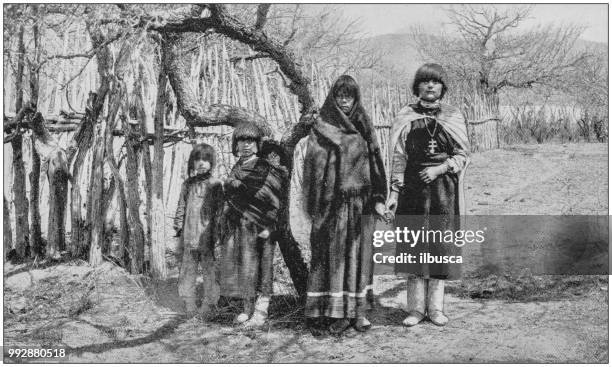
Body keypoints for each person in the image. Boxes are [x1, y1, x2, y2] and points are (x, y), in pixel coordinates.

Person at [300, 75, 388, 335]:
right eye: (339, 96)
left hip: (361, 203)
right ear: (332, 97)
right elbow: (313, 166)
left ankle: (357, 312)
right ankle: (333, 313)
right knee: (333, 258)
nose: (344, 101)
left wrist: (379, 197)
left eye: (348, 96)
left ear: (356, 97)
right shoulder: (323, 126)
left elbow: (375, 161)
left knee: (359, 258)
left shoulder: (364, 123)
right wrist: (318, 202)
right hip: (333, 204)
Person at [386, 63, 470, 327]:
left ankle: (435, 309)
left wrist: (439, 169)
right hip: (413, 190)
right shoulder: (406, 116)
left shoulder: (453, 116)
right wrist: (394, 191)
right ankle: (415, 310)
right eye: (425, 82)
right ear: (417, 87)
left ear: (443, 87)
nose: (430, 86)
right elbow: (399, 157)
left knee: (438, 247)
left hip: (442, 189)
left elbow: (462, 155)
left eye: (436, 82)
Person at [219, 123, 287, 328]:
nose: (246, 145)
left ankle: (261, 311)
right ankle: (247, 308)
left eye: (250, 141)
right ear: (235, 145)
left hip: (263, 224)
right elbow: (230, 194)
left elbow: (274, 197)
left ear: (258, 144)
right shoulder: (237, 167)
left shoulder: (265, 167)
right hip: (242, 225)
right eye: (241, 141)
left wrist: (270, 225)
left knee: (264, 266)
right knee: (247, 267)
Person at [174, 143, 224, 315]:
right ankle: (189, 303)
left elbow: (219, 211)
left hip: (207, 236)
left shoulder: (216, 185)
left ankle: (209, 304)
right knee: (188, 270)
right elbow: (181, 207)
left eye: (206, 160)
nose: (201, 163)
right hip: (188, 236)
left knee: (209, 270)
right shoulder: (187, 184)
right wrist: (179, 229)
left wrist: (217, 234)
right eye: (198, 160)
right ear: (192, 163)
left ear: (211, 163)